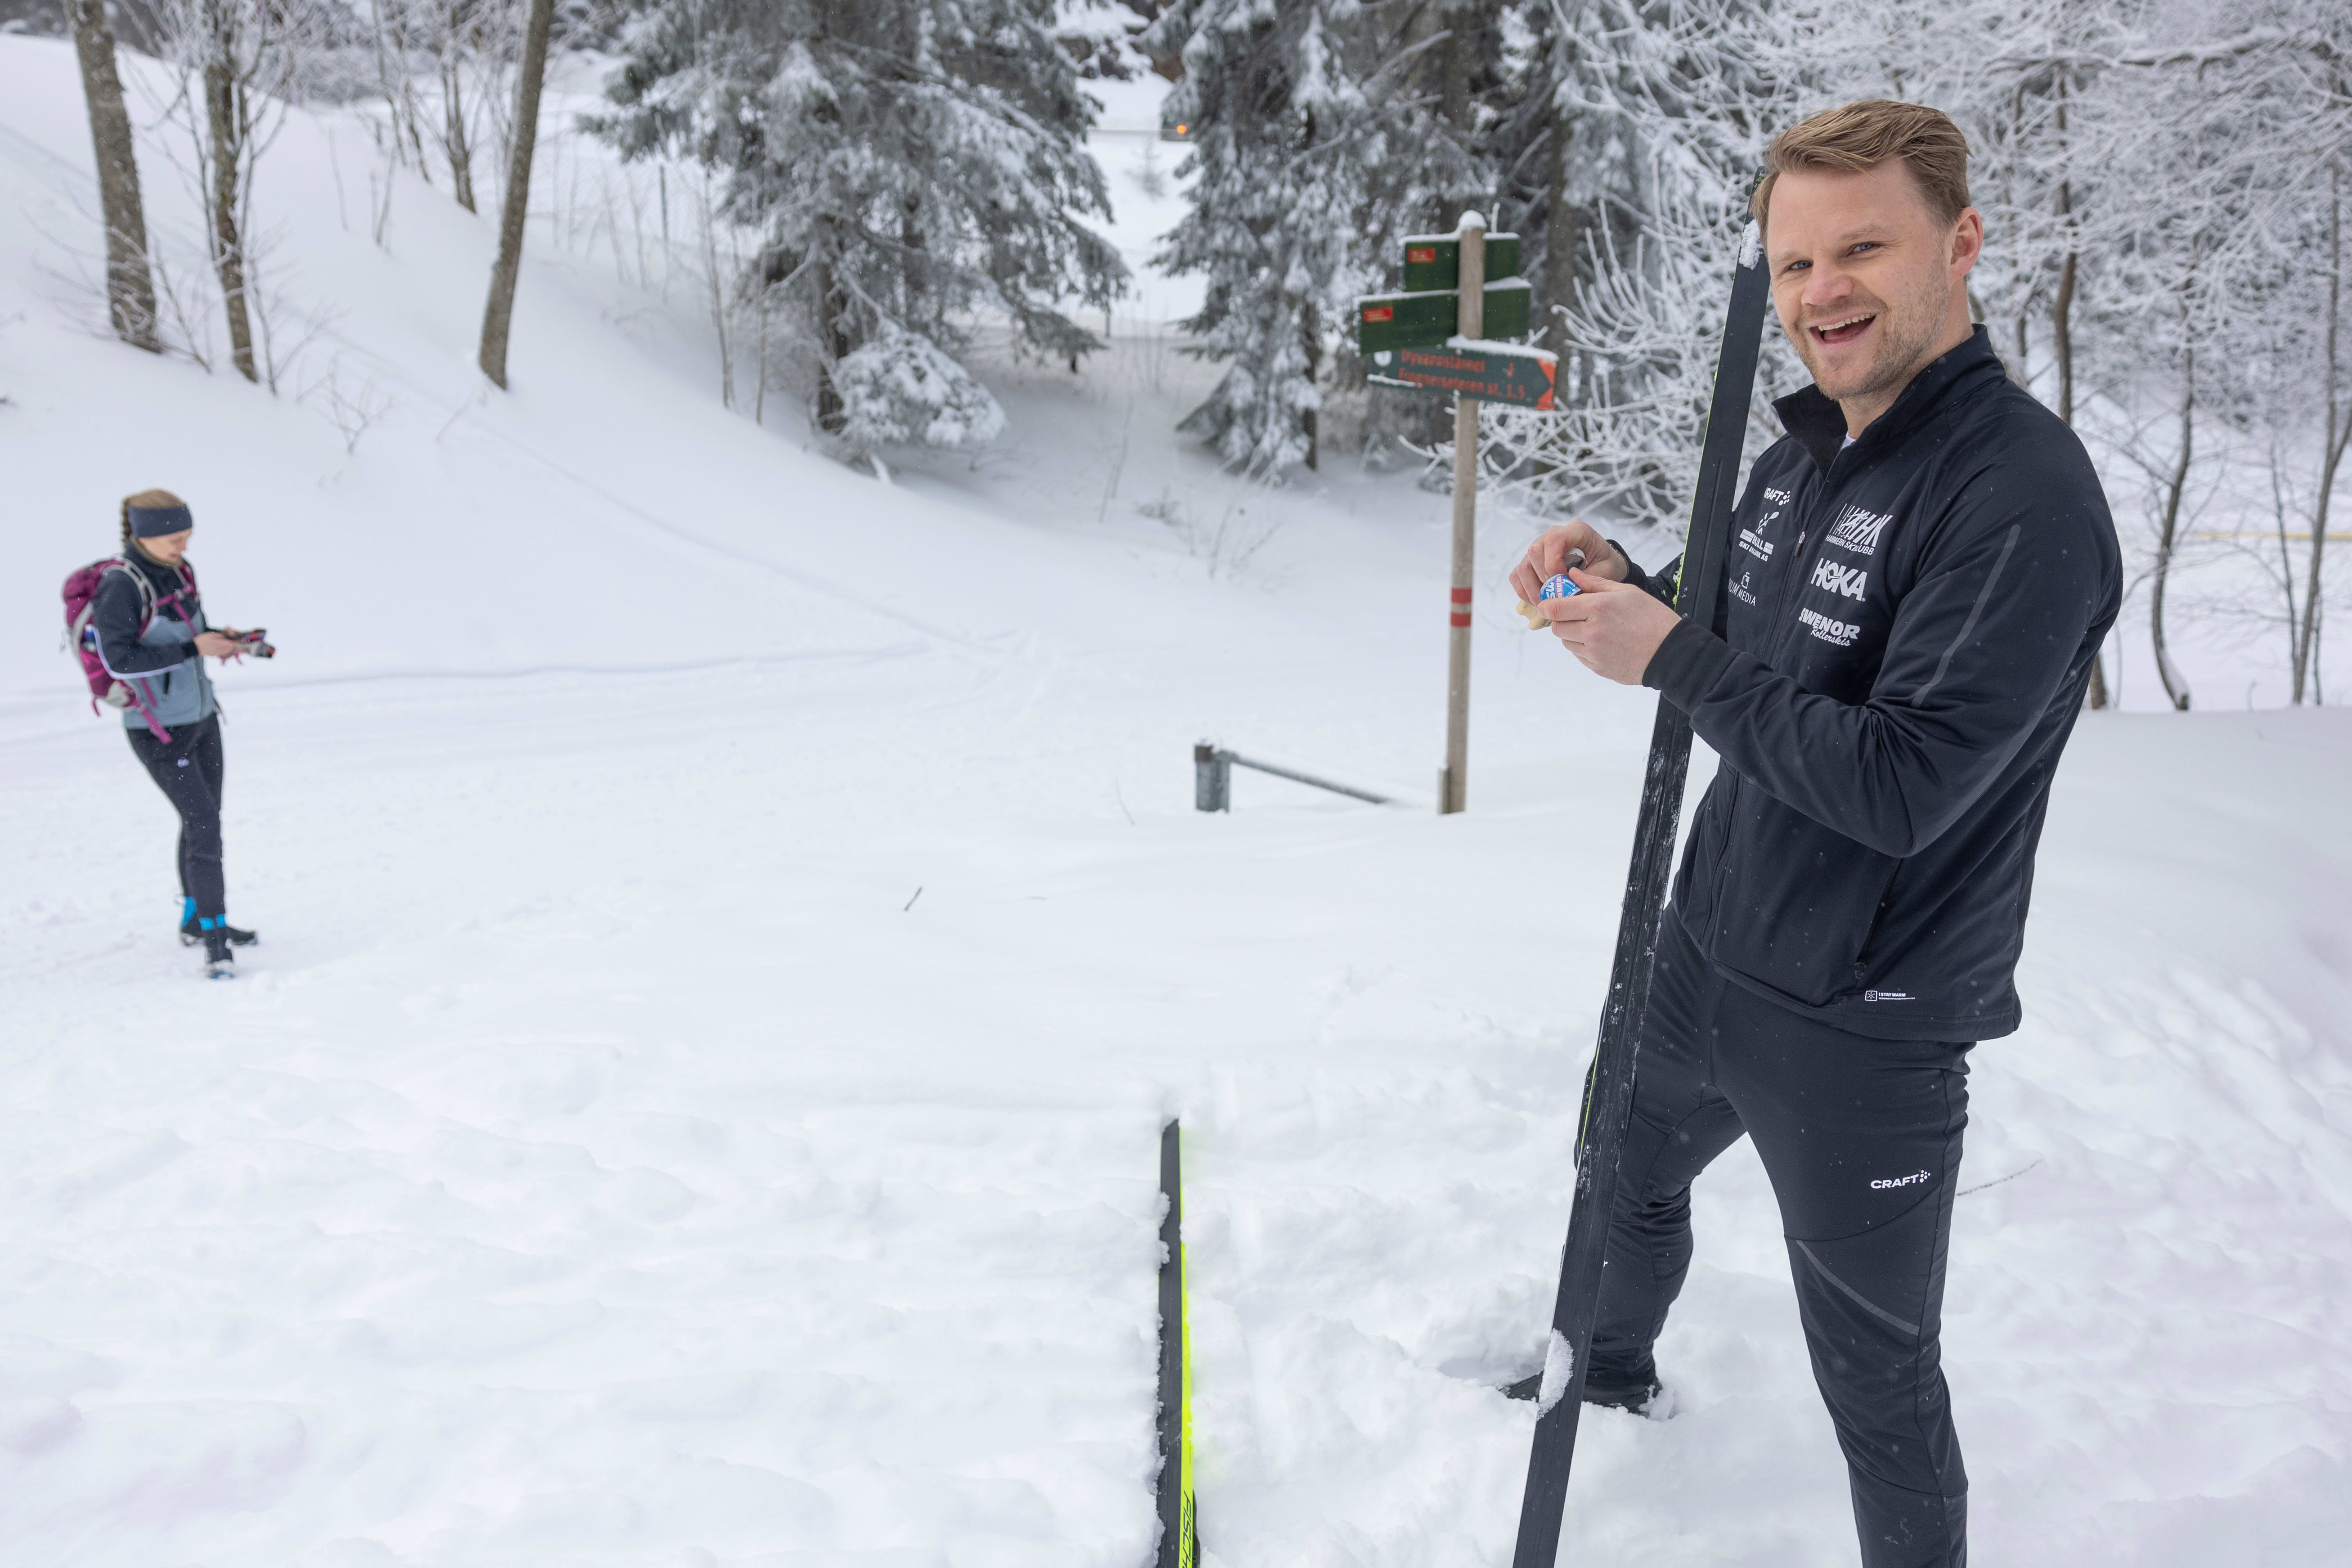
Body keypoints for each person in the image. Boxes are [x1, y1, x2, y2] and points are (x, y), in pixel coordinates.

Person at [1509, 101, 2119, 1568]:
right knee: (1617, 1174)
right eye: (1791, 262)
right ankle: (1597, 1383)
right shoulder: (1809, 447)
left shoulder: (2018, 498)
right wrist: (1626, 583)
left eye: (1859, 248)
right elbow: (1733, 625)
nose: (1819, 291)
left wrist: (1668, 656)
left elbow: (1906, 781)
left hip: (1865, 1014)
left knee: (1876, 1377)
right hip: (1706, 937)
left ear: (1956, 244)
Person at [91, 488, 262, 977]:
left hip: (202, 716)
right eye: (173, 538)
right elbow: (117, 658)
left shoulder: (180, 573)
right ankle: (215, 939)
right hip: (157, 728)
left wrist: (222, 640)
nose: (182, 547)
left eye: (187, 536)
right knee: (205, 826)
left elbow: (189, 631)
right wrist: (193, 648)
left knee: (203, 820)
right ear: (143, 534)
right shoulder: (121, 585)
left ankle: (195, 918)